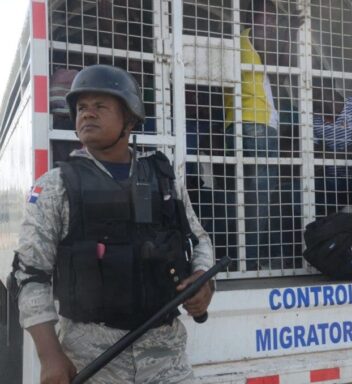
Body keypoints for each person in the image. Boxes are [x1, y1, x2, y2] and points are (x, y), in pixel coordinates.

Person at [10, 64, 214, 384]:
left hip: (166, 358)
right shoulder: (55, 186)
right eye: (81, 108)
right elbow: (30, 274)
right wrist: (50, 357)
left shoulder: (163, 180)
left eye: (100, 106)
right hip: (91, 359)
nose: (87, 114)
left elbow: (198, 240)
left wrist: (203, 279)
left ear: (129, 119)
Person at [224, 0, 303, 270]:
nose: (270, 26)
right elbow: (282, 68)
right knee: (259, 198)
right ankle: (248, 262)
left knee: (241, 197)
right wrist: (290, 31)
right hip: (255, 124)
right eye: (268, 19)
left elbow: (279, 70)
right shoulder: (251, 38)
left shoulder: (240, 44)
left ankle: (238, 259)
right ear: (253, 19)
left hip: (237, 123)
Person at [312, 80, 352, 215]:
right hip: (328, 181)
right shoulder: (314, 118)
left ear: (329, 86)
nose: (313, 97)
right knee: (294, 192)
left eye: (317, 92)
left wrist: (329, 155)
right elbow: (315, 154)